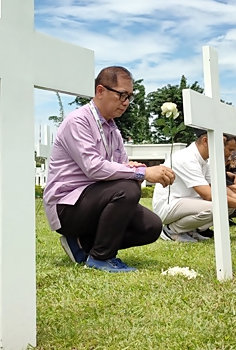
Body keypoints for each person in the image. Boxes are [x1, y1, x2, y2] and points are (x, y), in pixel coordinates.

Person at [43, 66, 175, 273]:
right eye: (122, 94)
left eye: (130, 96)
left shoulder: (112, 128)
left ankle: (81, 245)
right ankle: (100, 257)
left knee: (151, 226)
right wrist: (143, 172)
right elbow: (94, 168)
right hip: (67, 206)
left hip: (94, 199)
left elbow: (121, 165)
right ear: (100, 91)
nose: (126, 102)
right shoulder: (78, 121)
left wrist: (133, 169)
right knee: (128, 188)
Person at [152, 130, 236, 242]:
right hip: (168, 206)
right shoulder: (187, 158)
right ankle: (171, 230)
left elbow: (220, 188)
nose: (223, 147)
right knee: (217, 208)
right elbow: (208, 195)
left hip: (184, 203)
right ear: (205, 141)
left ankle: (189, 230)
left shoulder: (206, 161)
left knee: (230, 206)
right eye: (222, 143)